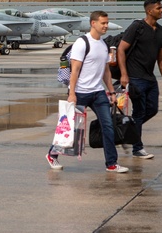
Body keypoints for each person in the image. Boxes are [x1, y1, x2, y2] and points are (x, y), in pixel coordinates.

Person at [46, 11, 127, 173]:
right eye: (103, 23)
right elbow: (74, 70)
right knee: (71, 128)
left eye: (107, 23)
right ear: (93, 23)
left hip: (98, 93)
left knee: (108, 126)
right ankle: (52, 154)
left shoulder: (103, 45)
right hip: (80, 92)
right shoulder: (82, 43)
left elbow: (105, 71)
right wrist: (72, 94)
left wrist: (111, 92)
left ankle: (111, 163)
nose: (106, 26)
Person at [117, 0, 162, 159]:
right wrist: (124, 74)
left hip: (150, 78)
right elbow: (121, 49)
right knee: (139, 112)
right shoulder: (137, 27)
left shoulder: (161, 31)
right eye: (159, 8)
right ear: (149, 11)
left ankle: (127, 130)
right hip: (135, 77)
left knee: (152, 109)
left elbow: (161, 59)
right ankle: (137, 148)